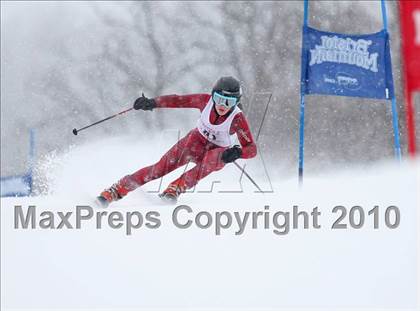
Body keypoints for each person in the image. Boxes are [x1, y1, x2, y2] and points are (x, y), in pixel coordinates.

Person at [96, 76, 257, 207]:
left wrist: (236, 152)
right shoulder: (204, 101)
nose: (222, 105)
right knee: (158, 169)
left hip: (217, 152)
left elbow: (251, 149)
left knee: (214, 158)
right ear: (213, 95)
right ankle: (116, 190)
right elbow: (178, 100)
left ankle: (174, 189)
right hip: (194, 143)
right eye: (219, 99)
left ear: (236, 102)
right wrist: (152, 103)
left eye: (229, 102)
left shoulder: (237, 119)